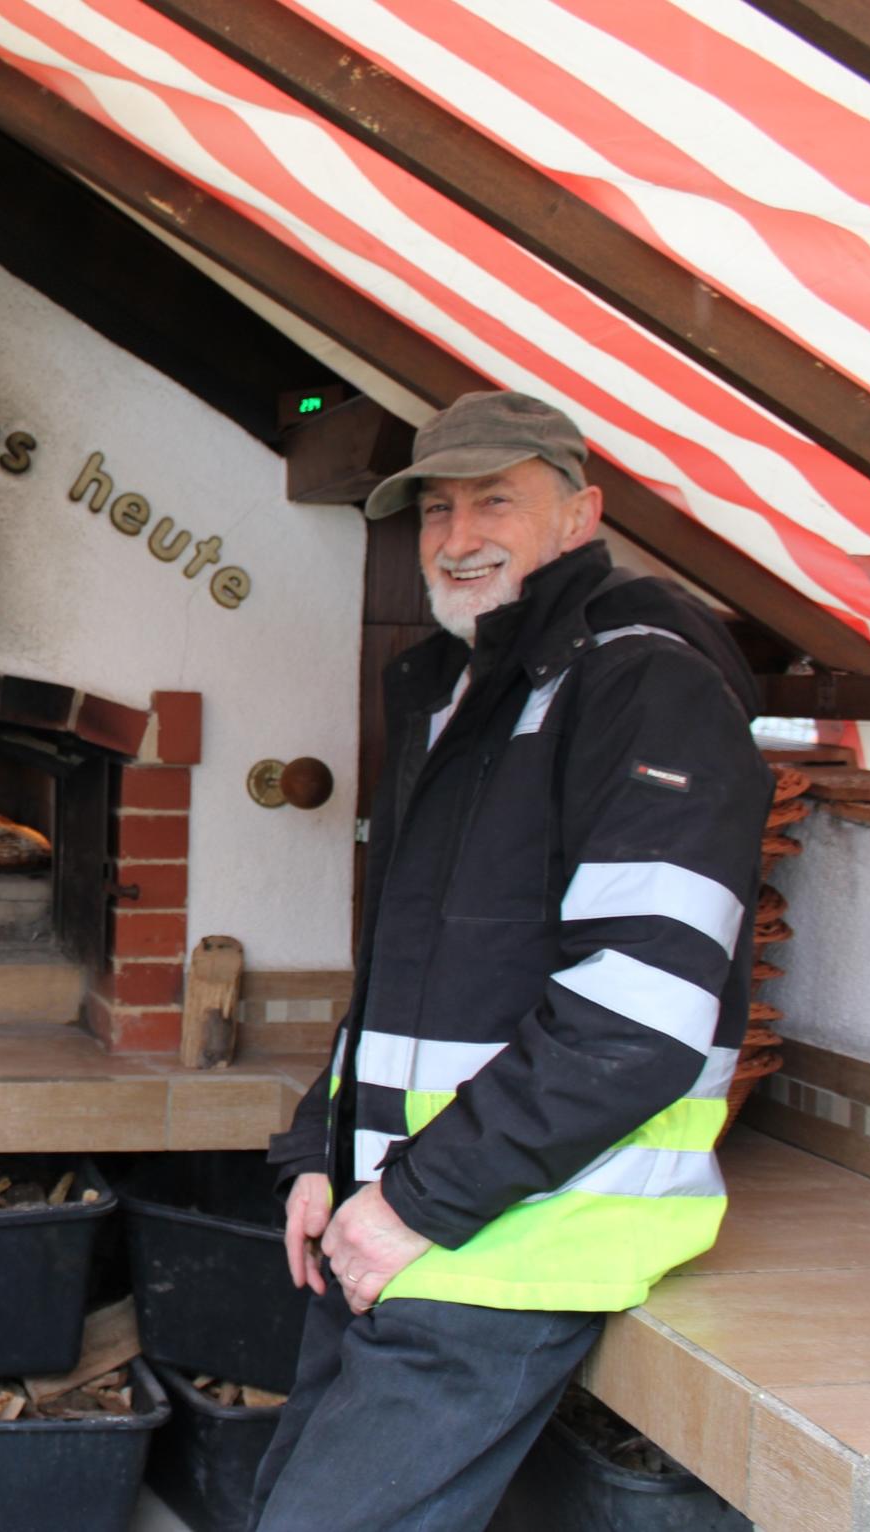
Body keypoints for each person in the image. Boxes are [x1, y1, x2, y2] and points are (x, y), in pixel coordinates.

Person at [250, 391, 772, 1530]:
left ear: (581, 512)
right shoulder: (467, 688)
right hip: (414, 1224)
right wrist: (318, 1150)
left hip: (511, 1240)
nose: (457, 535)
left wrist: (413, 1204)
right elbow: (414, 980)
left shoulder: (647, 685)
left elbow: (637, 1016)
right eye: (436, 509)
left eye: (496, 499)